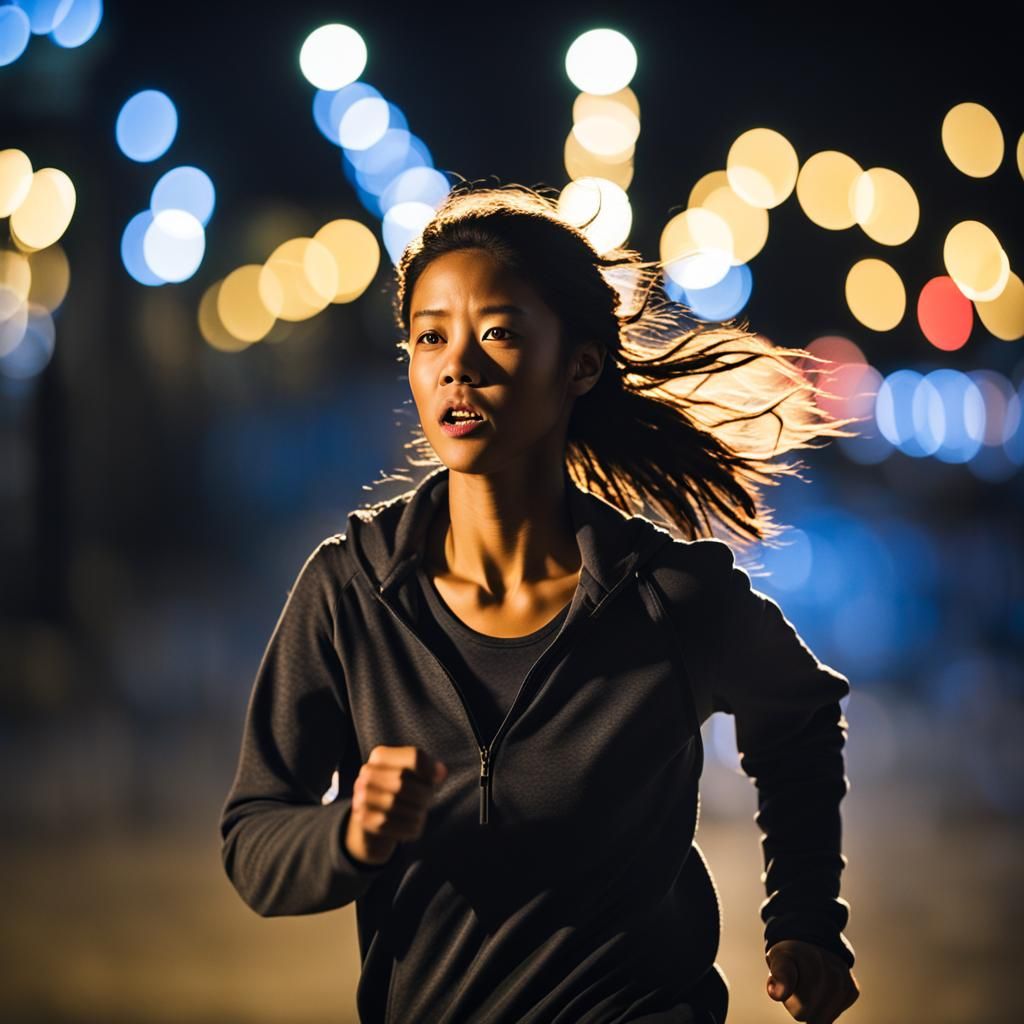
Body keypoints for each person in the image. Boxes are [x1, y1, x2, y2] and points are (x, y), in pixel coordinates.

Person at [220, 182, 862, 1023]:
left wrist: (807, 918)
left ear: (581, 364)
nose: (459, 363)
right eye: (430, 336)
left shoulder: (668, 597)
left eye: (500, 332)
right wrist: (349, 835)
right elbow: (254, 839)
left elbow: (803, 722)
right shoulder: (351, 596)